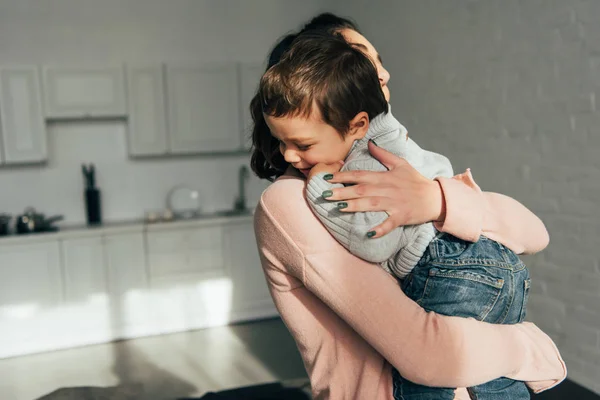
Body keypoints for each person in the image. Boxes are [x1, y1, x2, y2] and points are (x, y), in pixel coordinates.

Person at [251, 13, 566, 400]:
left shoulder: (390, 161)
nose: (383, 75)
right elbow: (426, 355)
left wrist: (433, 200)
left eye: (378, 62)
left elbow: (534, 234)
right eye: (363, 63)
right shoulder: (289, 202)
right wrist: (527, 347)